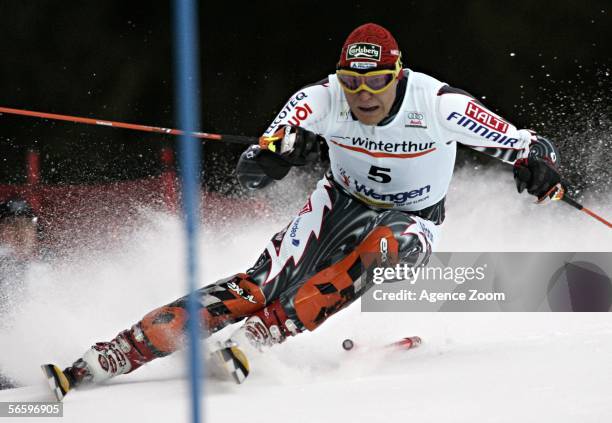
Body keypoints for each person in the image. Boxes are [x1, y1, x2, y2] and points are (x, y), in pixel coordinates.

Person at [52, 23, 562, 390]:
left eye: (376, 82)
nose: (363, 95)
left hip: (413, 217)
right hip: (339, 200)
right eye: (352, 82)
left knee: (384, 249)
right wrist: (269, 160)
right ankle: (120, 350)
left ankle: (266, 333)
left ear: (398, 75)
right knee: (256, 286)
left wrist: (538, 168)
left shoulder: (437, 104)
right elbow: (262, 156)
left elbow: (526, 143)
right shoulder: (320, 98)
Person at [0, 197, 39, 389]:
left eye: (27, 224)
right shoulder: (3, 266)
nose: (20, 232)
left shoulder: (47, 266)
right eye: (12, 224)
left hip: (36, 360)